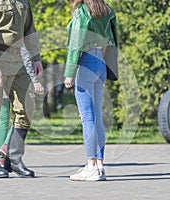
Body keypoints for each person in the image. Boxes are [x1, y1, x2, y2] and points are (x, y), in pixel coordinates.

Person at [0, 0, 43, 178]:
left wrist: (36, 57)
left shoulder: (23, 2)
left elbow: (30, 29)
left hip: (18, 58)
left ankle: (13, 159)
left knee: (27, 107)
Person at [64, 0, 118, 181]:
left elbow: (75, 43)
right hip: (100, 64)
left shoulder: (82, 11)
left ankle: (91, 166)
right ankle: (100, 166)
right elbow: (112, 40)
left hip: (85, 62)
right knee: (96, 117)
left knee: (87, 118)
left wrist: (69, 73)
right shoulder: (107, 10)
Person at [0, 45, 46, 167]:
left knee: (3, 117)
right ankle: (6, 145)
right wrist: (34, 81)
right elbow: (25, 55)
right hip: (15, 77)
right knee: (22, 114)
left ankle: (0, 158)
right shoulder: (19, 30)